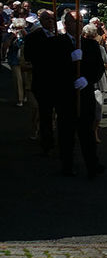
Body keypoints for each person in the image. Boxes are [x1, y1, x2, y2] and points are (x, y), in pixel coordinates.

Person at [52, 11, 105, 177]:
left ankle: (92, 164)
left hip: (85, 94)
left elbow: (99, 68)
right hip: (66, 96)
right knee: (66, 133)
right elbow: (50, 69)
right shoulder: (56, 43)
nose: (79, 24)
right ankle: (67, 165)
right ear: (66, 24)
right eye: (75, 21)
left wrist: (87, 80)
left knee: (87, 133)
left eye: (81, 21)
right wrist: (70, 61)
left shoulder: (91, 45)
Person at [24, 10, 59, 153]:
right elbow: (28, 56)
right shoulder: (34, 37)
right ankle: (46, 142)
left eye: (52, 19)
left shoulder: (59, 36)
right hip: (42, 81)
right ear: (41, 20)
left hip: (58, 82)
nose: (50, 22)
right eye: (47, 19)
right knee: (45, 114)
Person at [4, 18, 28, 106]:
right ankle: (20, 99)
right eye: (17, 28)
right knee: (18, 79)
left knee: (25, 79)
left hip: (25, 59)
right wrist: (12, 37)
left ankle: (26, 96)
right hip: (14, 59)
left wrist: (25, 35)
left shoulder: (27, 33)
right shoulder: (10, 34)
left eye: (20, 28)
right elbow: (6, 45)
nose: (18, 30)